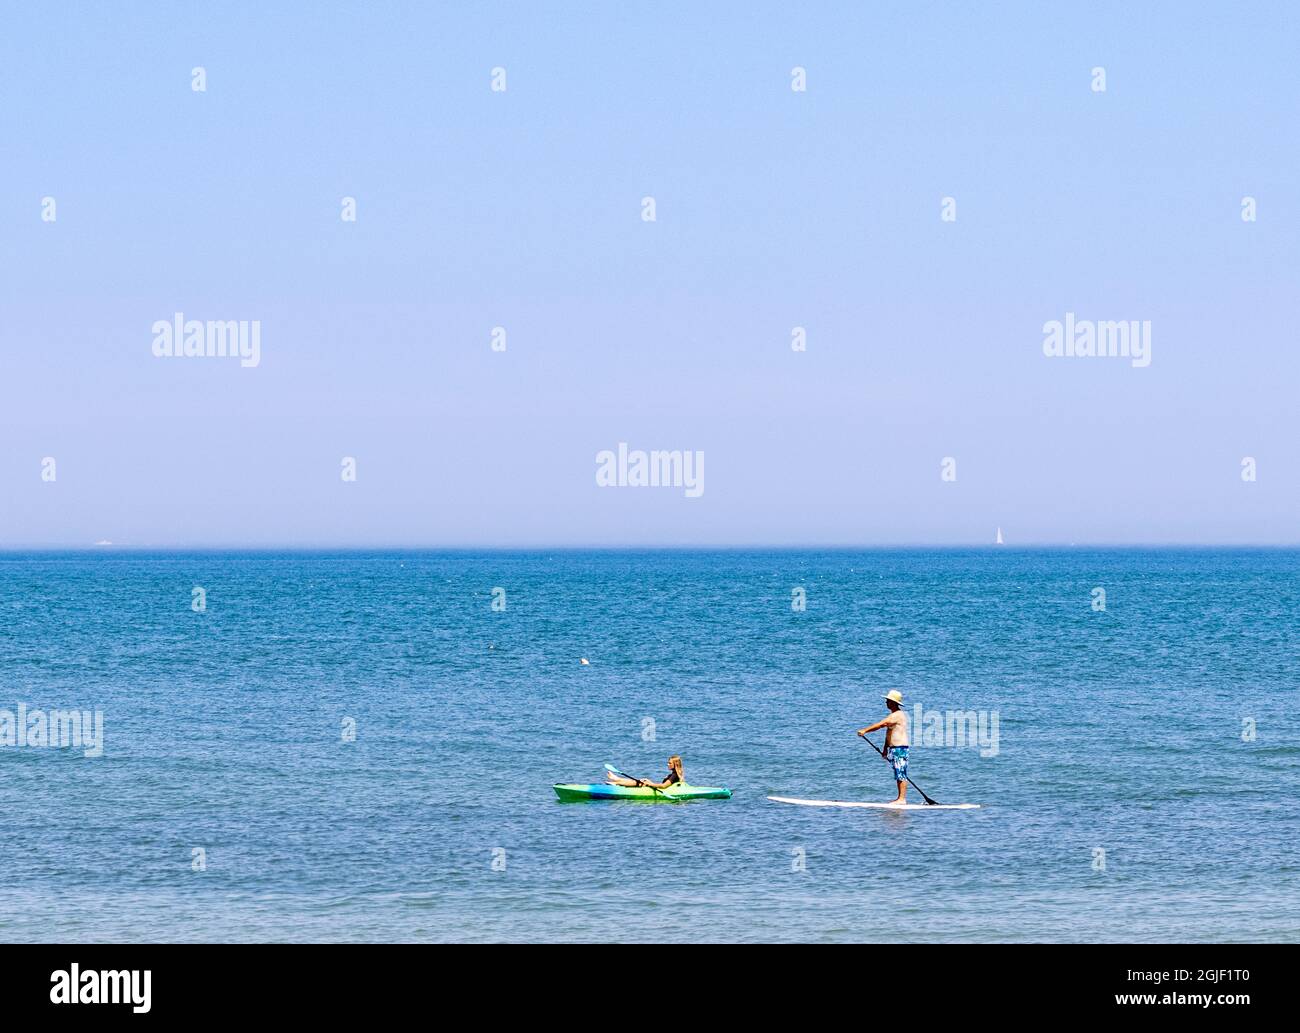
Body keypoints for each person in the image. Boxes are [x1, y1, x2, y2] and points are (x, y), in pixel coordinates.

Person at [857, 690, 910, 804]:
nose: (886, 702)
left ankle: (902, 799)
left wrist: (865, 730)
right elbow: (888, 733)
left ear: (893, 702)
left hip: (900, 748)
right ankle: (900, 798)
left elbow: (882, 724)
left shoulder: (898, 715)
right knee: (898, 772)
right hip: (894, 749)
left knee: (901, 773)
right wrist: (885, 749)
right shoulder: (893, 715)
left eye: (888, 701)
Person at [606, 755, 684, 789]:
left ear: (675, 764)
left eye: (670, 763)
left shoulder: (674, 775)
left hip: (661, 789)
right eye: (668, 762)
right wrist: (650, 783)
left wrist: (651, 784)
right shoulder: (674, 774)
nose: (668, 764)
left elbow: (664, 786)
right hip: (659, 787)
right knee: (643, 780)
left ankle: (617, 782)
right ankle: (617, 779)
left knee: (640, 782)